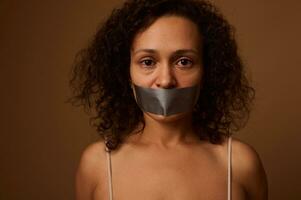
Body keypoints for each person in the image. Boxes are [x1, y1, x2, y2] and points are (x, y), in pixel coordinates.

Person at [68, 0, 268, 199]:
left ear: (207, 71)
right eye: (147, 62)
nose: (165, 81)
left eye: (184, 62)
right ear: (126, 72)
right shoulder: (97, 164)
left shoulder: (240, 164)